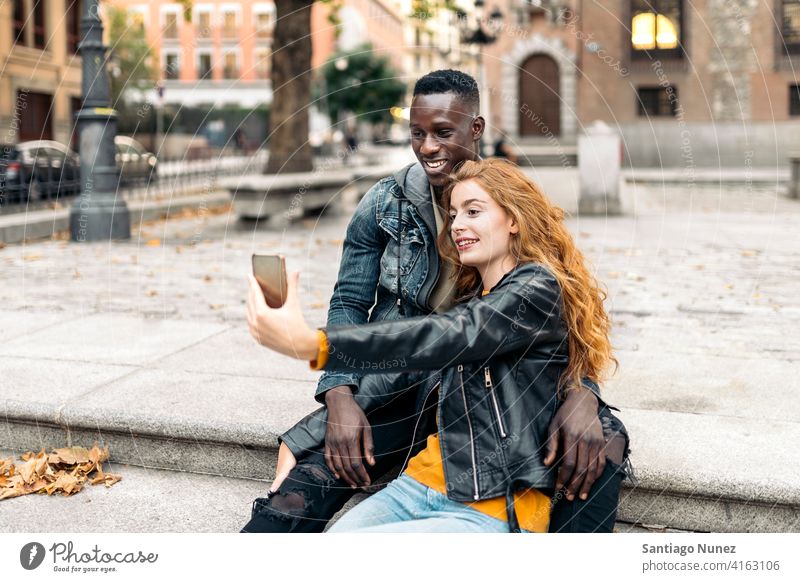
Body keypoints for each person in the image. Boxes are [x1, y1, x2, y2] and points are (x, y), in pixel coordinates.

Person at [241, 70, 627, 534]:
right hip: (397, 383)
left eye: (444, 133)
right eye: (417, 133)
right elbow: (349, 301)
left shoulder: (510, 205)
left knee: (603, 441)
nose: (427, 147)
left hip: (480, 383)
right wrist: (339, 396)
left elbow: (556, 316)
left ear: (476, 130)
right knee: (298, 491)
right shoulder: (384, 202)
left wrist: (584, 392)